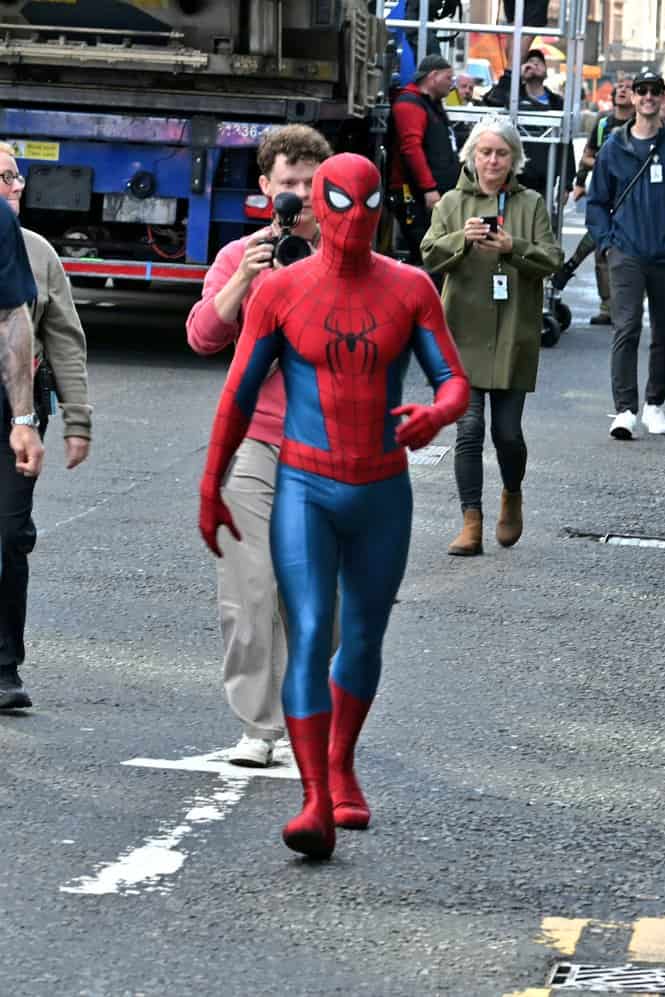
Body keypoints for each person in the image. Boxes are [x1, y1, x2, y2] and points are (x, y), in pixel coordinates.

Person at [199, 153, 469, 860]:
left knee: (365, 633)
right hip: (305, 481)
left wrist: (436, 414)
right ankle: (315, 794)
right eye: (340, 204)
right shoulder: (280, 289)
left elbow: (454, 379)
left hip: (381, 485)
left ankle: (341, 762)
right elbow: (234, 389)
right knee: (312, 624)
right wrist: (211, 483)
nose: (353, 221)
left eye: (366, 204)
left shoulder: (409, 288)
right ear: (319, 205)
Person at [187, 124, 332, 768]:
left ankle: (307, 706)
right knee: (247, 588)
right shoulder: (240, 254)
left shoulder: (347, 257)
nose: (299, 195)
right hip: (255, 441)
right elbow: (202, 336)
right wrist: (243, 281)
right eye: (288, 184)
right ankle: (258, 725)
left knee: (307, 596)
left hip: (328, 449)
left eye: (311, 183)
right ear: (266, 187)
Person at [420, 115, 562, 555]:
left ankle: (511, 494)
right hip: (462, 331)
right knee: (469, 429)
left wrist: (512, 248)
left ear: (514, 159)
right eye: (485, 152)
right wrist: (460, 240)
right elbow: (429, 256)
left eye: (502, 153)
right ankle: (470, 521)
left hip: (512, 333)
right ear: (472, 156)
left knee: (507, 434)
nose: (493, 160)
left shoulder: (531, 203)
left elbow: (552, 258)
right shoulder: (450, 203)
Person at [0, 144, 91, 713]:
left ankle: (4, 665)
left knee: (8, 536)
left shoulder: (36, 253)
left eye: (12, 176)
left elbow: (64, 338)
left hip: (16, 410)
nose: (9, 186)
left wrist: (74, 418)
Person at [586, 69, 665, 438]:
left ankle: (654, 405)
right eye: (642, 91)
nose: (648, 97)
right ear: (633, 97)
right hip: (626, 252)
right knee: (626, 327)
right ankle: (624, 410)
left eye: (655, 91)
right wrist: (606, 242)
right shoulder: (613, 147)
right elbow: (597, 202)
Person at [0, 196, 45, 711]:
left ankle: (3, 666)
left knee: (9, 533)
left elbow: (12, 316)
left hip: (3, 411)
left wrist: (23, 420)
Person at [570, 76, 633, 326]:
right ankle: (607, 306)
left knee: (627, 252)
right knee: (601, 250)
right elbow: (587, 155)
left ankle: (626, 304)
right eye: (619, 87)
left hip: (630, 196)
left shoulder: (641, 124)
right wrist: (579, 182)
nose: (622, 91)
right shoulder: (602, 122)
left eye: (628, 88)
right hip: (604, 192)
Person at [387, 54, 460, 267]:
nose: (451, 84)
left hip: (432, 195)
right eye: (448, 78)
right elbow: (412, 149)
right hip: (416, 196)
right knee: (425, 253)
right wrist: (429, 188)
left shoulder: (430, 105)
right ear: (433, 76)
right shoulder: (410, 104)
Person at [483, 49, 576, 204]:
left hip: (543, 180)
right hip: (511, 178)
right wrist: (515, 78)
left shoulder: (557, 103)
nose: (534, 65)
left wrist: (566, 184)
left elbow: (566, 144)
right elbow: (491, 101)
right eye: (529, 62)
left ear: (546, 72)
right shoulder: (511, 98)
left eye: (538, 63)